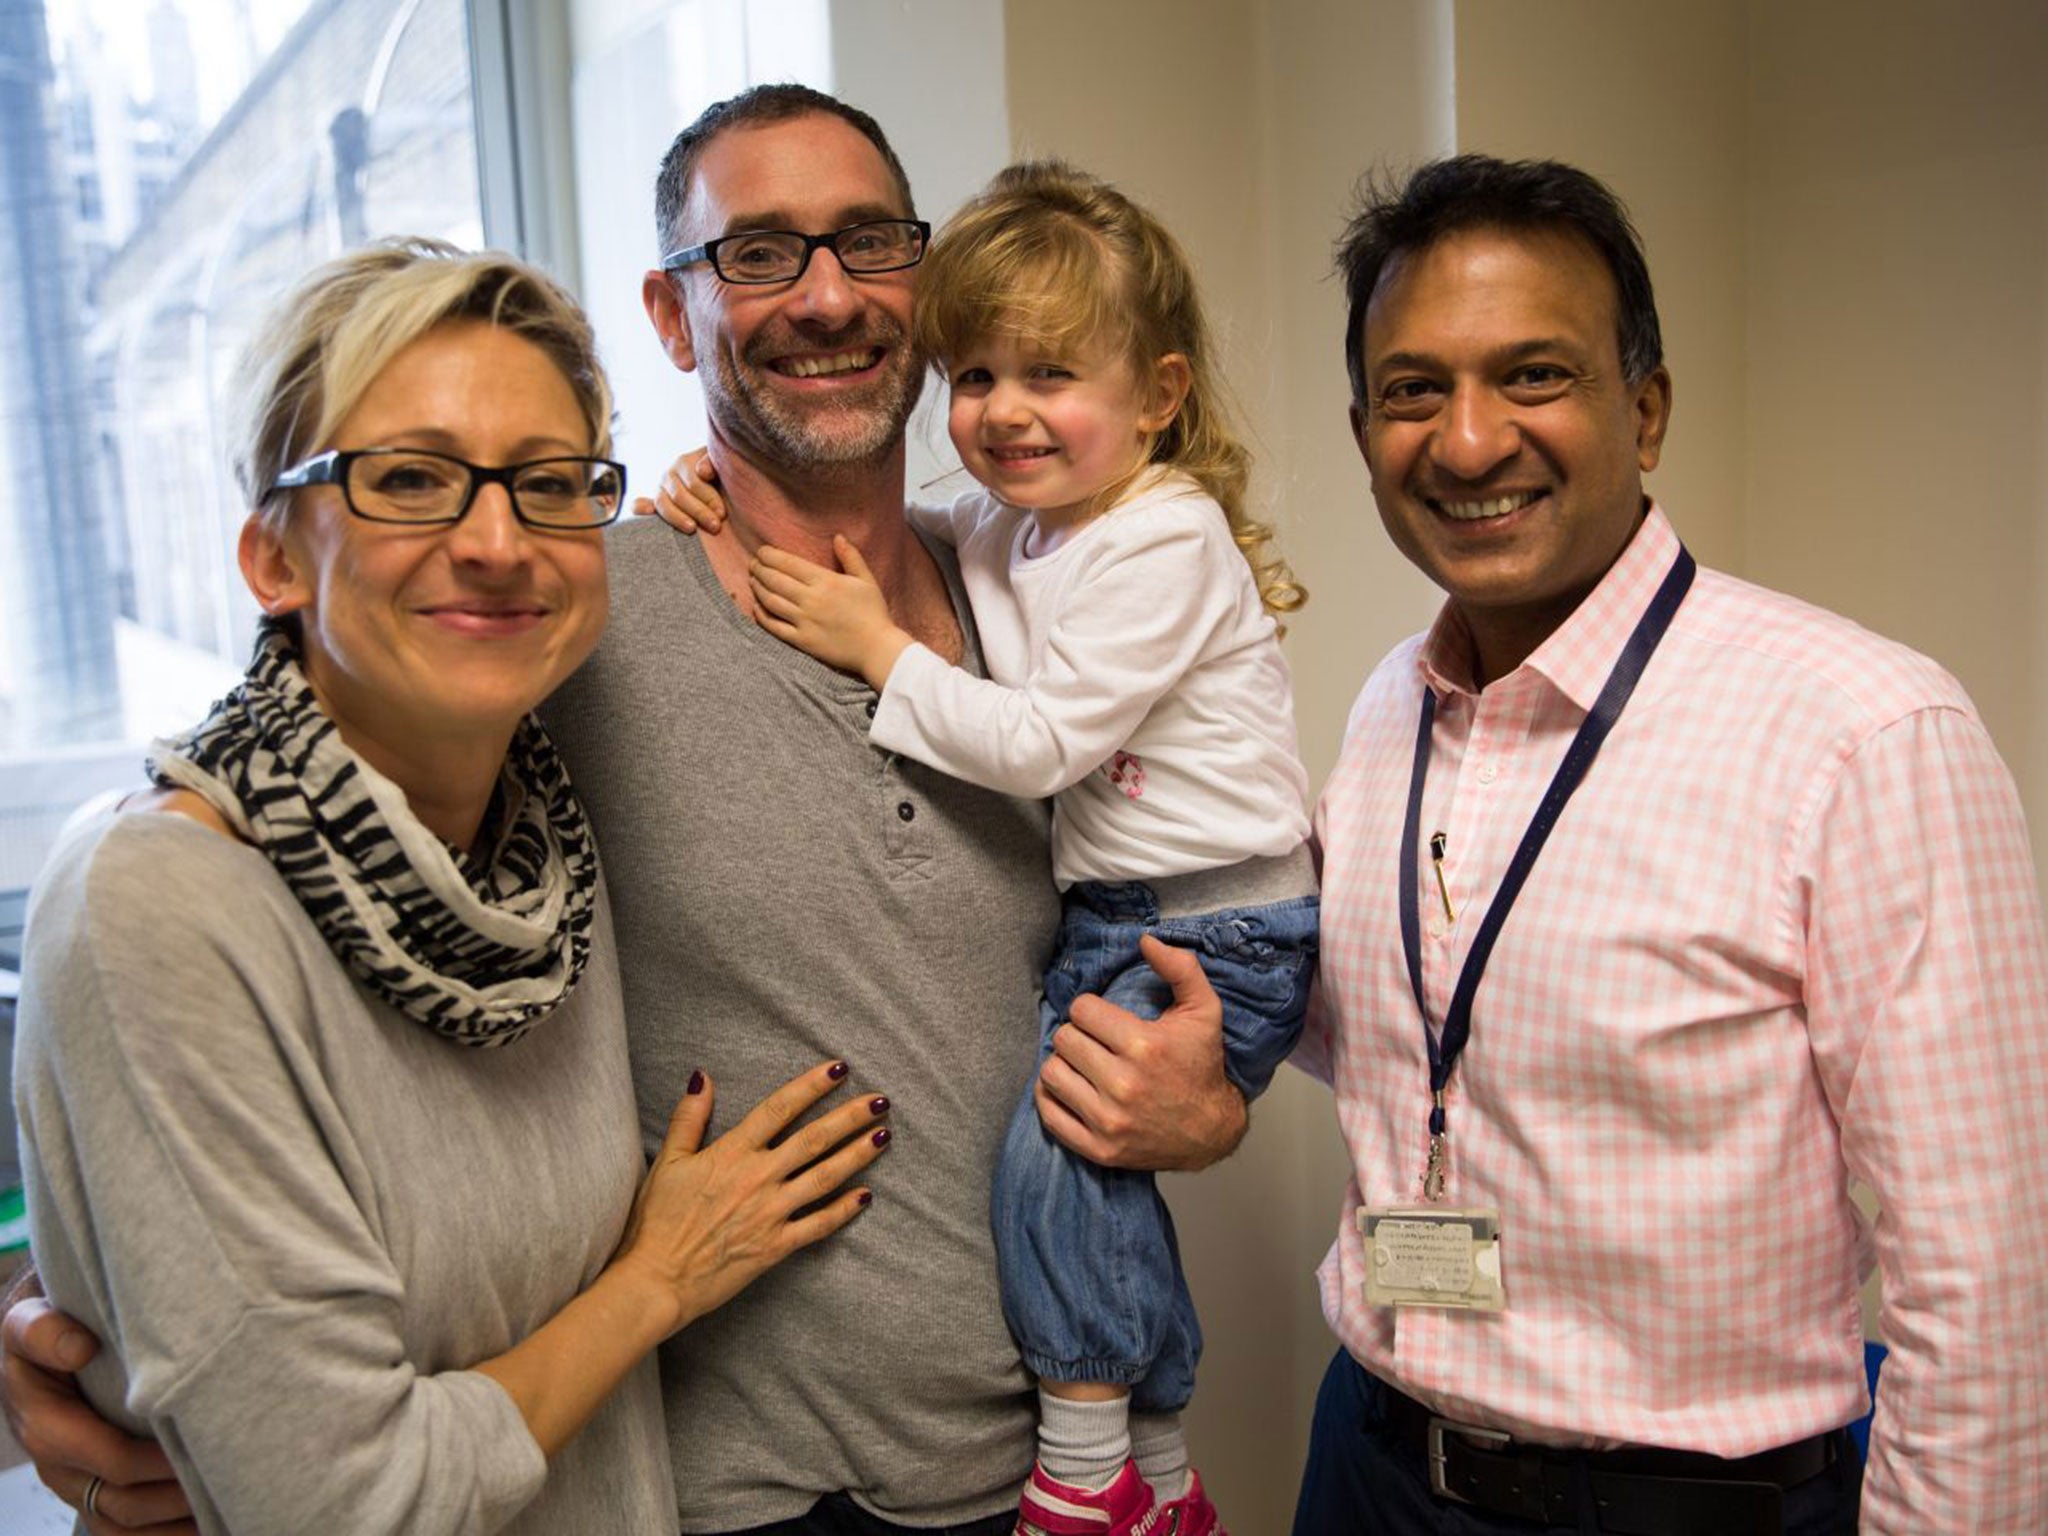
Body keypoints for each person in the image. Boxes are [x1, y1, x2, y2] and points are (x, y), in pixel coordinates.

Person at [0, 86, 1257, 1536]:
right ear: (674, 318)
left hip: (1053, 1461)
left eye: (867, 243)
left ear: (928, 286)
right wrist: (71, 1308)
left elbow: (1209, 894)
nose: (827, 295)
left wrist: (1208, 1105)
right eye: (760, 254)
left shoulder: (1038, 590)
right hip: (733, 1489)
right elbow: (287, 825)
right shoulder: (567, 610)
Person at [6, 238, 894, 1535]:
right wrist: (657, 1279)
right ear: (270, 558)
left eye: (549, 484)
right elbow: (350, 1504)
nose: (497, 541)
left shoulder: (539, 854)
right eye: (411, 480)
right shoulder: (161, 899)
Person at [1290, 154, 2048, 1535]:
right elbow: (1415, 1031)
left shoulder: (1868, 734)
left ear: (1645, 412)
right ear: (1362, 433)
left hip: (1677, 1507)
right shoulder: (1393, 701)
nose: (1466, 443)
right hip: (1370, 1463)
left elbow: (1988, 1284)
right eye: (1414, 390)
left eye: (1534, 376)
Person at [686, 158, 1317, 1534]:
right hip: (1131, 915)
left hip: (1222, 923)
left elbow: (1038, 745)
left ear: (1158, 395)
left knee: (1056, 1159)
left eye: (1050, 376)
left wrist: (875, 648)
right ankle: (1158, 1463)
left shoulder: (1165, 536)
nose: (1004, 412)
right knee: (1093, 1187)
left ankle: (1088, 1469)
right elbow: (880, 524)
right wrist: (709, 483)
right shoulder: (1007, 528)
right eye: (973, 377)